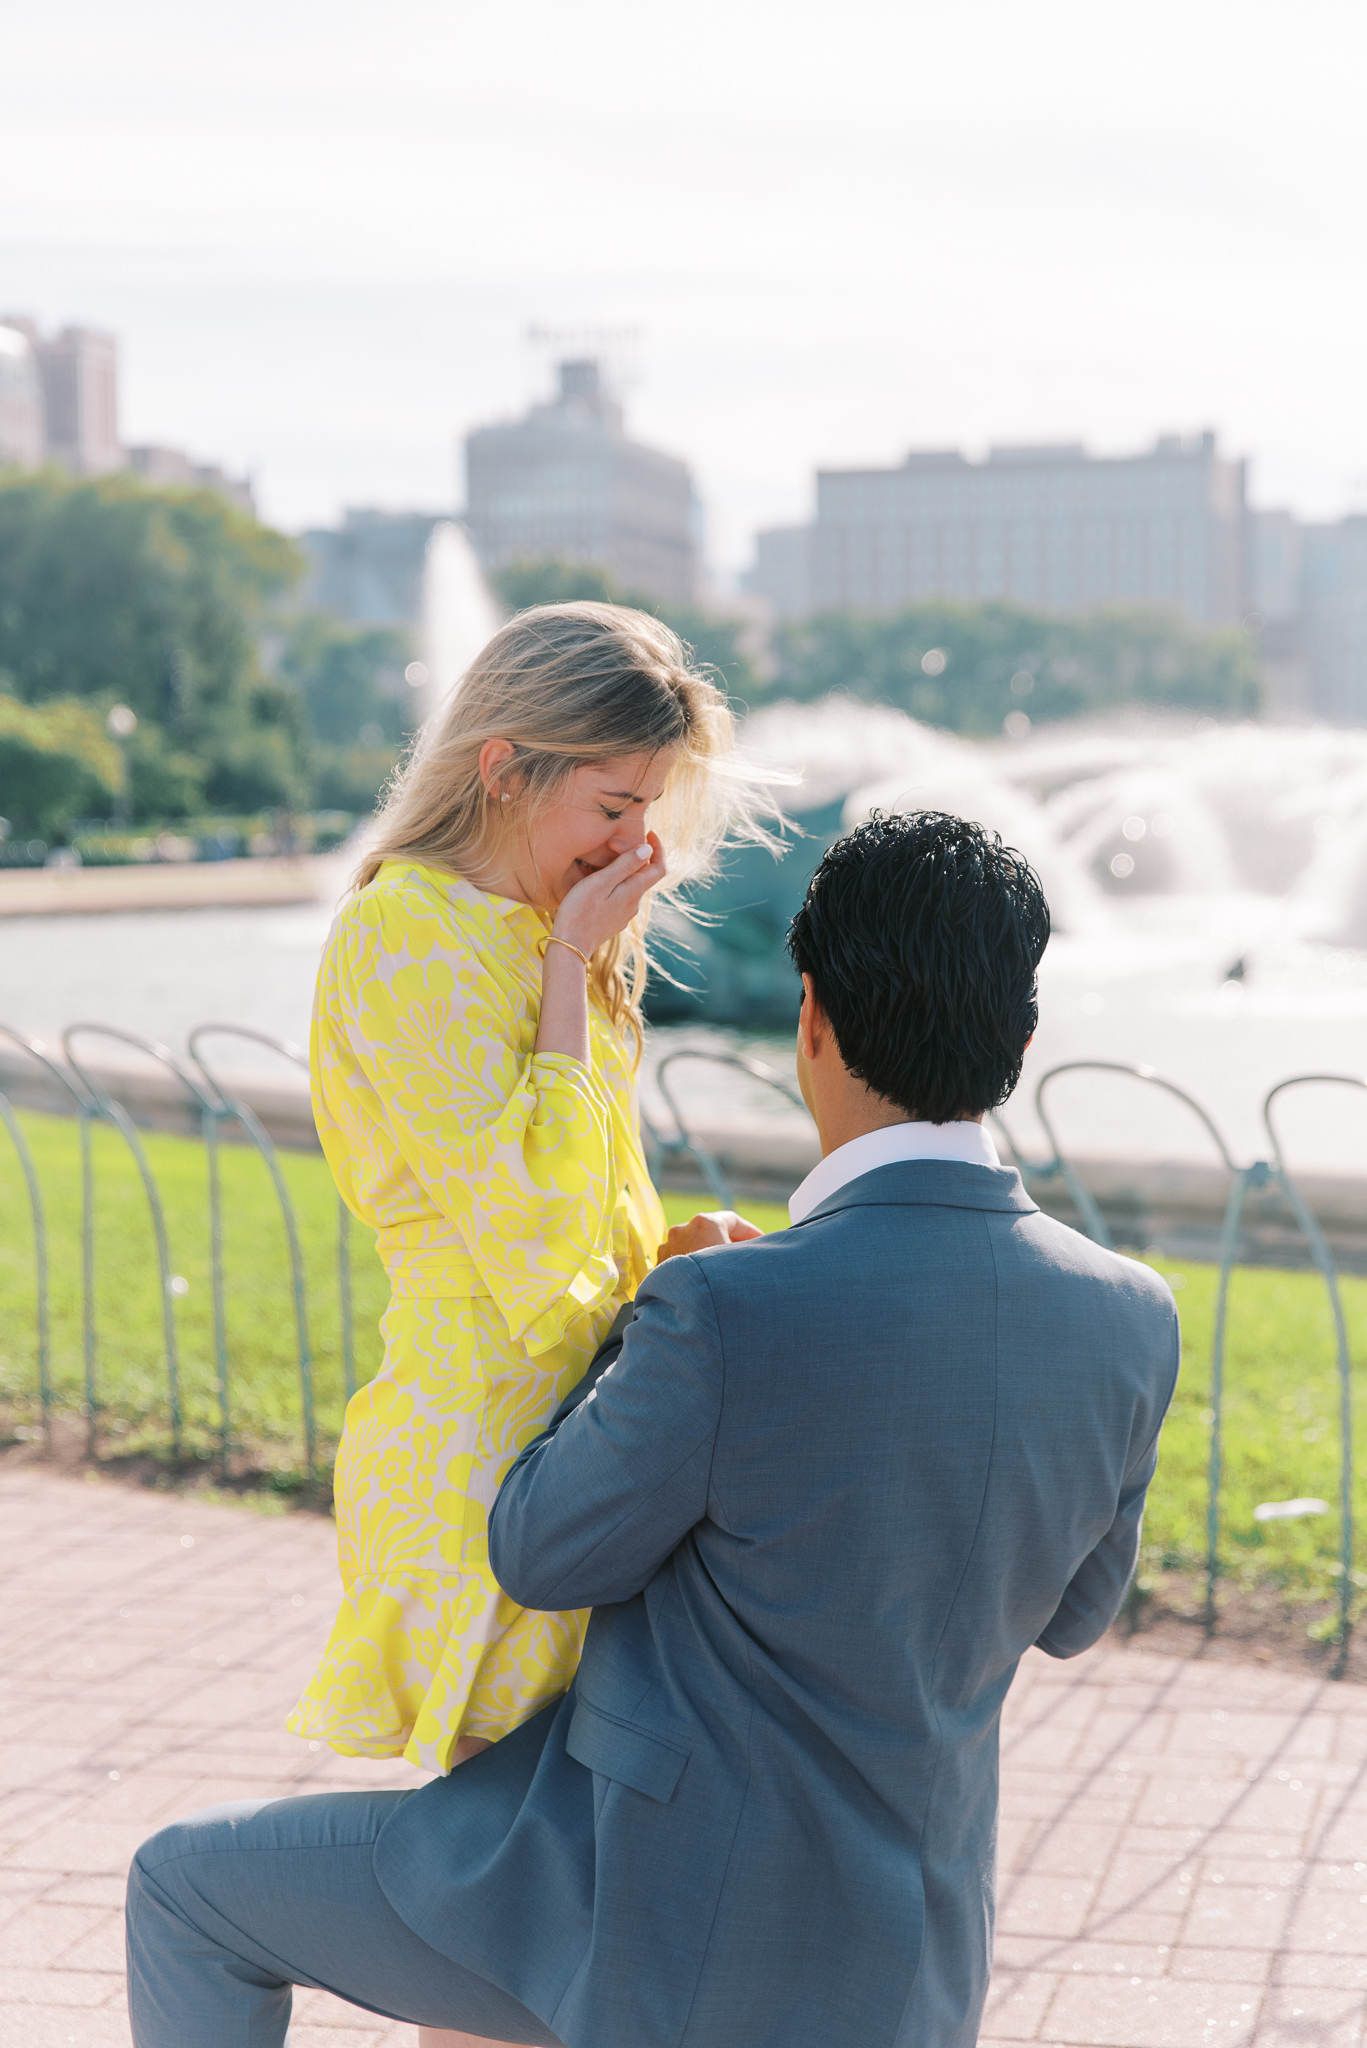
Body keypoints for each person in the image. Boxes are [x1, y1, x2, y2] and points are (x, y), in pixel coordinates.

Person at [126, 810, 1180, 2048]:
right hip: (911, 1960)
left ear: (810, 1021)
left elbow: (537, 1546)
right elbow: (1069, 1614)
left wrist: (637, 1323)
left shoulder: (723, 1304)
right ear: (1021, 1037)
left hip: (625, 1908)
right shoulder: (1127, 1316)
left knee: (183, 1888)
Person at [286, 600, 761, 1775]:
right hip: (483, 1468)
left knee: (566, 1883)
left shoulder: (553, 926)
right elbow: (531, 1239)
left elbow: (590, 1212)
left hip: (581, 1446)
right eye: (611, 807)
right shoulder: (406, 933)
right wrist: (568, 969)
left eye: (648, 811)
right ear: (502, 767)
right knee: (512, 1895)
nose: (630, 844)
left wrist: (674, 1260)